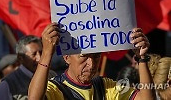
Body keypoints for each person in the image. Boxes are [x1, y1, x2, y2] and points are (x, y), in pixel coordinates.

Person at [28, 23, 156, 100]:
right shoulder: (56, 88)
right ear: (66, 57)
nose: (91, 64)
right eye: (84, 56)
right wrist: (46, 54)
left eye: (96, 57)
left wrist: (142, 59)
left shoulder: (105, 87)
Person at [0, 35, 56, 100]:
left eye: (41, 52)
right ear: (20, 58)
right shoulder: (7, 85)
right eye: (34, 54)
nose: (39, 58)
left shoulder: (51, 75)